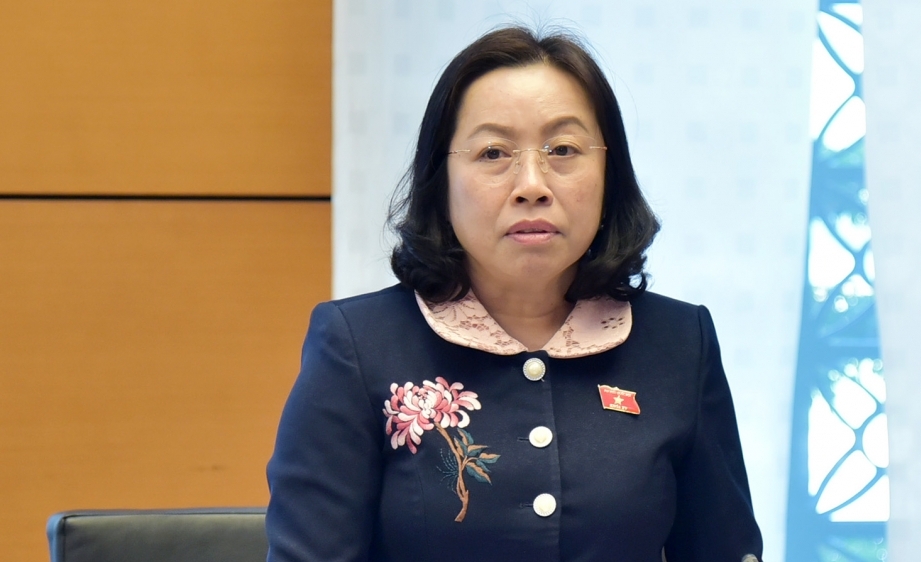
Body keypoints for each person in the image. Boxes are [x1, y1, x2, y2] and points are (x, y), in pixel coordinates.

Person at [265, 26, 764, 562]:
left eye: (563, 149)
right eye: (493, 152)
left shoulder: (679, 345)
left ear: (609, 173)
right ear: (441, 179)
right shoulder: (357, 347)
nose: (532, 185)